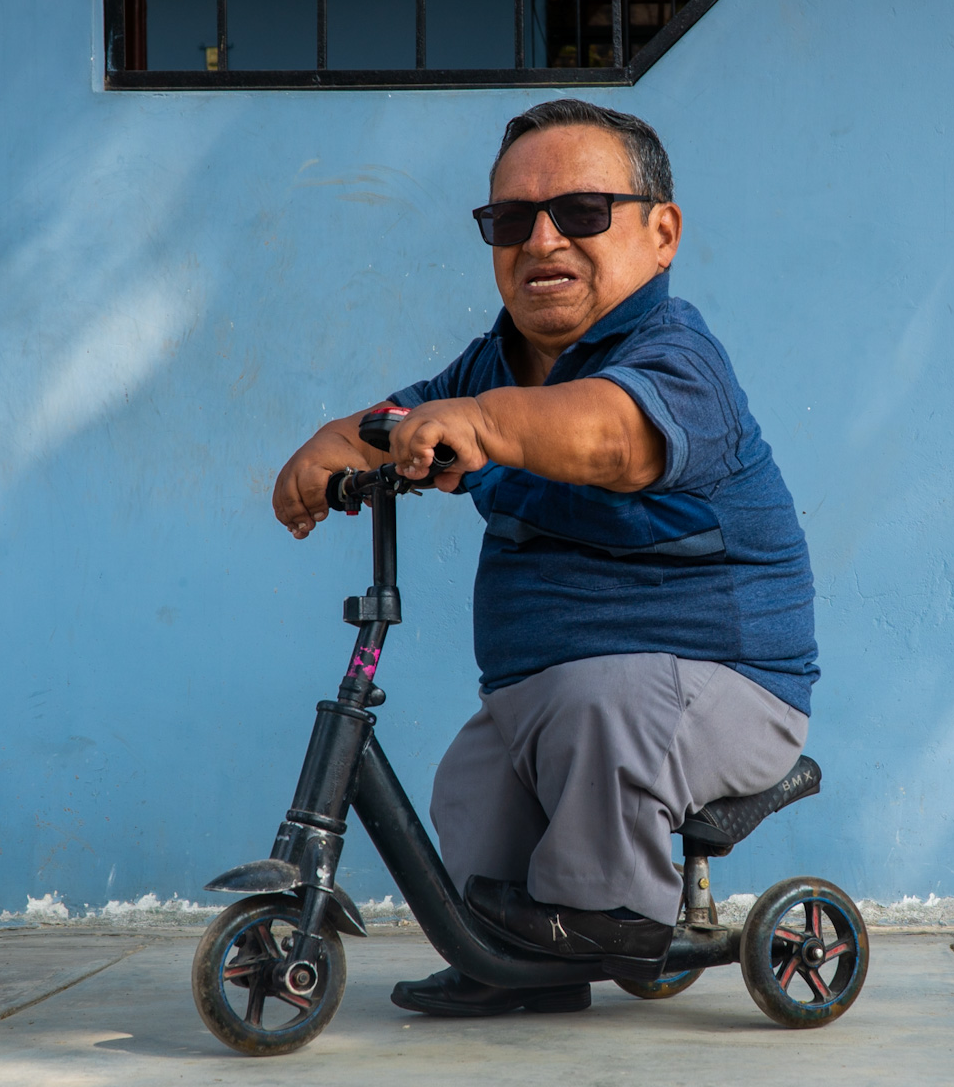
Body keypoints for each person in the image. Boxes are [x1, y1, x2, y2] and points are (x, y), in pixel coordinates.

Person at [270, 99, 818, 1017]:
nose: (543, 239)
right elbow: (394, 423)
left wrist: (485, 425)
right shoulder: (489, 367)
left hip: (724, 687)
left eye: (583, 212)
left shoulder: (678, 359)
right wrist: (332, 450)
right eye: (512, 220)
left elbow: (614, 438)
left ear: (661, 233)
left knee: (601, 708)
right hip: (546, 696)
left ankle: (608, 912)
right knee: (473, 781)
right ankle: (510, 957)